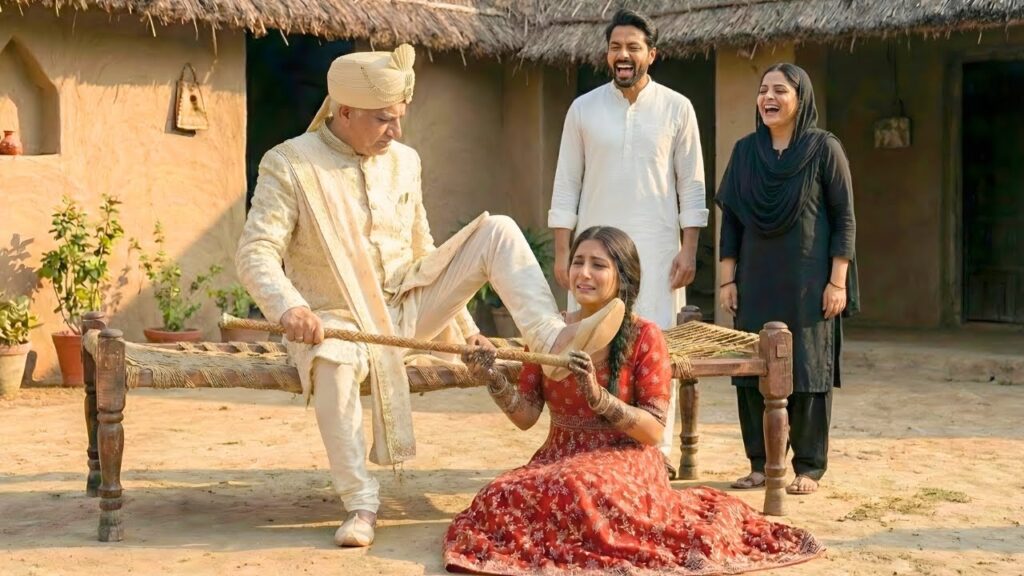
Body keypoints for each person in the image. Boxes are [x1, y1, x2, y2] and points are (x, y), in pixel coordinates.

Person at [236, 44, 625, 548]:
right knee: (332, 362)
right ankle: (361, 503)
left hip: (409, 307)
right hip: (338, 320)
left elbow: (425, 253)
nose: (396, 131)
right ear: (344, 111)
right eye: (384, 119)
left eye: (400, 117)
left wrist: (464, 330)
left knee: (498, 229)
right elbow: (256, 252)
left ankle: (552, 339)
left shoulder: (405, 161)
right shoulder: (289, 164)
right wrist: (290, 307)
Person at [443, 226, 823, 574]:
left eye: (598, 265)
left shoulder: (644, 336)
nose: (584, 273)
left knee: (577, 486)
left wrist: (600, 398)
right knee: (499, 494)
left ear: (622, 277)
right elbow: (526, 416)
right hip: (558, 458)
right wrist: (492, 377)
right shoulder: (547, 331)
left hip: (625, 457)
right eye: (578, 262)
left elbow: (653, 431)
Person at [548, 8, 708, 474]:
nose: (623, 55)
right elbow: (566, 183)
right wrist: (563, 253)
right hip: (593, 256)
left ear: (651, 55)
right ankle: (587, 443)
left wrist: (689, 249)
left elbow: (691, 185)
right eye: (616, 47)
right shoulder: (583, 109)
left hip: (657, 251)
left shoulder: (677, 108)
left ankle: (657, 452)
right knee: (589, 345)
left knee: (654, 344)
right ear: (607, 55)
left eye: (633, 47)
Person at [716, 63, 859, 496]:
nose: (769, 98)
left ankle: (809, 467)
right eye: (763, 90)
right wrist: (727, 280)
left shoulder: (824, 149)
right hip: (756, 280)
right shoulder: (745, 152)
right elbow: (732, 221)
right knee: (751, 369)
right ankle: (760, 464)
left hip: (810, 283)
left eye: (780, 90)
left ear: (801, 98)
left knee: (808, 370)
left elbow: (844, 218)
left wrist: (838, 282)